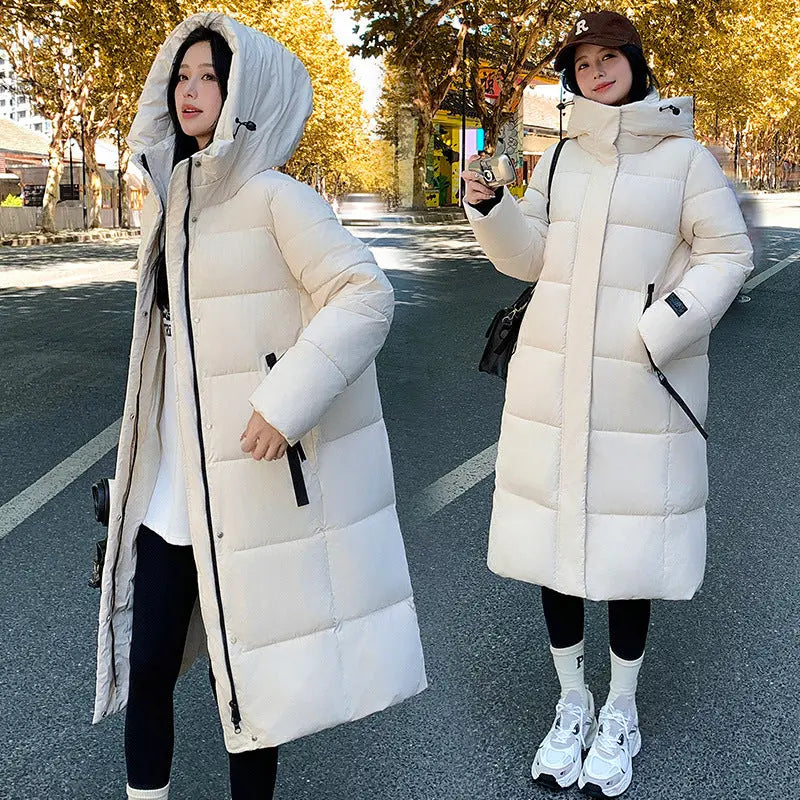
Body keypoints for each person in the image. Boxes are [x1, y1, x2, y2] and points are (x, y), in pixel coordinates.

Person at [92, 13, 426, 800]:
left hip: (248, 487)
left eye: (210, 77)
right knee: (147, 670)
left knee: (249, 690)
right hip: (171, 491)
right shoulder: (169, 203)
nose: (190, 90)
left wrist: (284, 402)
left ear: (243, 95)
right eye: (182, 76)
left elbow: (364, 295)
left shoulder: (278, 198)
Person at [461, 10, 752, 798]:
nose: (594, 71)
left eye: (607, 57)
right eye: (582, 62)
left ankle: (621, 709)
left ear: (635, 61)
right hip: (553, 383)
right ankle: (572, 702)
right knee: (553, 546)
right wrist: (492, 208)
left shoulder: (685, 158)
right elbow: (531, 257)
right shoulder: (560, 159)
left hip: (638, 387)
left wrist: (661, 330)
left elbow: (728, 254)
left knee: (627, 555)